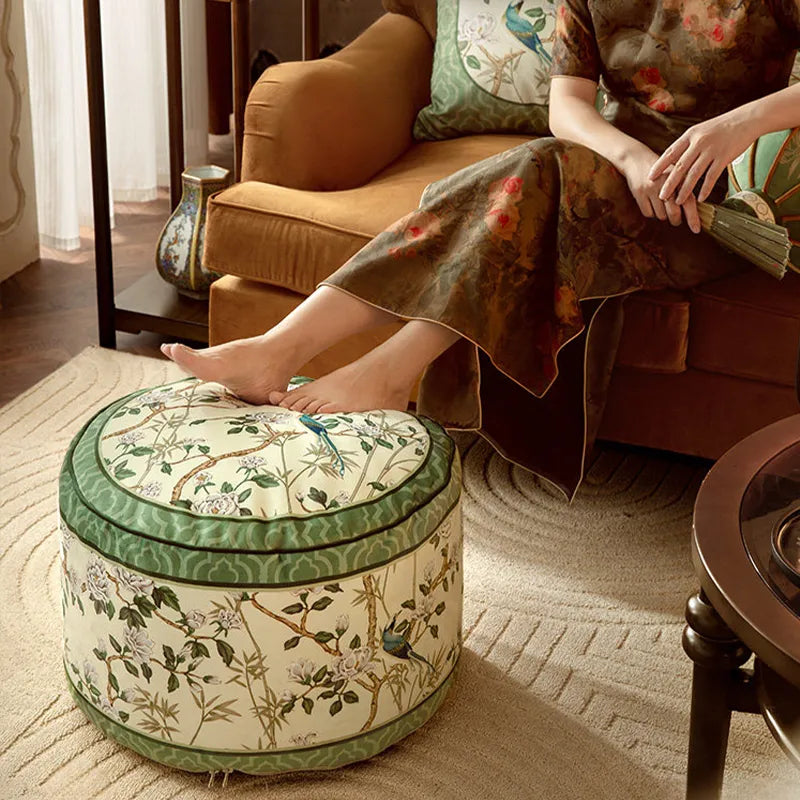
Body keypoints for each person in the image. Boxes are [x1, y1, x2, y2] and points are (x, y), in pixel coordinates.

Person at [162, 0, 800, 499]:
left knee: (528, 183)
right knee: (529, 181)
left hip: (728, 194)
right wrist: (629, 155)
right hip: (618, 166)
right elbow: (569, 106)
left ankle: (341, 362)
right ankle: (292, 356)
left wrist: (741, 124)